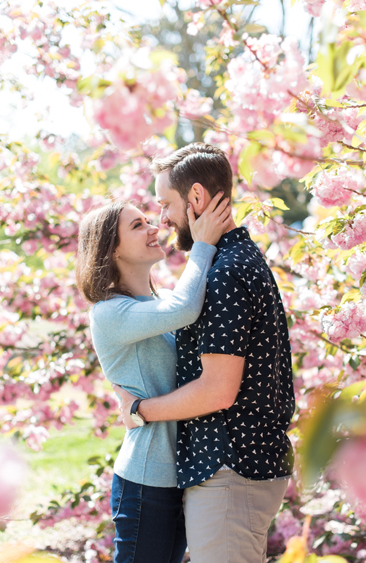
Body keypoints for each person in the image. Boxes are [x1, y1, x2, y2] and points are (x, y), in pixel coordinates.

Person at [114, 143, 296, 563]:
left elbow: (218, 390)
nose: (161, 219)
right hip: (236, 468)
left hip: (230, 468)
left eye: (165, 204)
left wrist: (140, 410)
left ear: (195, 198)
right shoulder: (235, 260)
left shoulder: (226, 273)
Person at [76, 191, 232, 563]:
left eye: (148, 219)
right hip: (147, 481)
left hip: (181, 474)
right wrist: (204, 244)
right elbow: (186, 306)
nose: (153, 227)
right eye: (137, 225)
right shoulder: (110, 312)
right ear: (111, 250)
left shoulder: (152, 303)